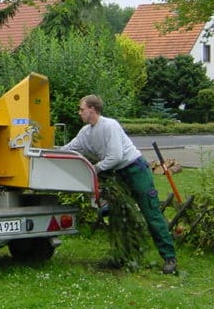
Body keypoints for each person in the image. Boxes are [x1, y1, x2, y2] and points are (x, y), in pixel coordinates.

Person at [61, 95, 178, 275]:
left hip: (135, 170)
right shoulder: (86, 132)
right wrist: (49, 152)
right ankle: (124, 255)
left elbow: (115, 157)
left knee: (151, 213)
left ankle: (169, 258)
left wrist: (95, 169)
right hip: (119, 174)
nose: (79, 112)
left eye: (81, 109)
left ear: (92, 109)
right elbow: (70, 148)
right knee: (120, 216)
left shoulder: (110, 126)